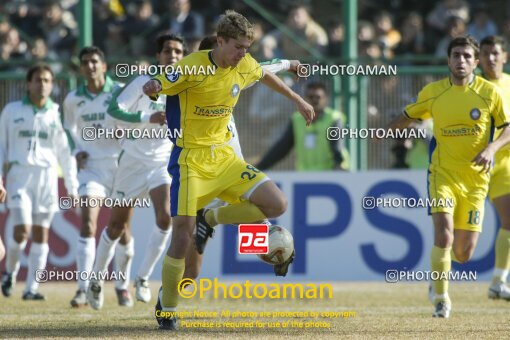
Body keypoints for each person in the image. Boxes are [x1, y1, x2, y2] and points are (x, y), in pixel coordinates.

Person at [142, 10, 314, 330]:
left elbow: (265, 70)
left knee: (275, 205)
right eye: (238, 48)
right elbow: (164, 80)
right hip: (191, 163)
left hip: (227, 160)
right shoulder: (192, 67)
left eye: (246, 49)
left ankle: (239, 233)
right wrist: (153, 85)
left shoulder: (244, 64)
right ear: (219, 43)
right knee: (187, 258)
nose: (242, 55)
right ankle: (167, 306)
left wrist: (296, 96)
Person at [389, 36, 510, 318]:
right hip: (442, 174)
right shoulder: (433, 92)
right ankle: (441, 299)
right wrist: (388, 130)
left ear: (475, 62)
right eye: (456, 55)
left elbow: (507, 128)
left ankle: (438, 275)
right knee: (443, 234)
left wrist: (492, 148)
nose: (461, 61)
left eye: (468, 57)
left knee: (463, 253)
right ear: (448, 60)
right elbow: (407, 115)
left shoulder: (489, 93)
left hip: (476, 180)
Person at [181, 34, 302, 281]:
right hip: (201, 181)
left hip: (231, 175)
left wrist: (289, 64)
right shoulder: (188, 86)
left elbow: (263, 69)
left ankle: (276, 254)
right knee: (191, 272)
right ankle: (168, 301)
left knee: (264, 230)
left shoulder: (231, 78)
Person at [85, 34, 185, 309]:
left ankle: (142, 278)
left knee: (166, 217)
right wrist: (145, 118)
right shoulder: (141, 82)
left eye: (178, 51)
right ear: (158, 56)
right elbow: (112, 112)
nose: (173, 55)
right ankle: (95, 279)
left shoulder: (186, 86)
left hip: (162, 162)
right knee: (116, 226)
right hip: (131, 162)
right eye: (167, 50)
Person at [0, 64, 78, 300]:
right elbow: (1, 146)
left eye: (47, 80)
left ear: (52, 85)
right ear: (28, 83)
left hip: (46, 177)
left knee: (42, 233)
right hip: (19, 176)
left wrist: (73, 188)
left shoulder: (55, 113)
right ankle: (10, 272)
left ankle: (32, 288)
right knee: (22, 229)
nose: (42, 84)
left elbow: (65, 153)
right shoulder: (11, 111)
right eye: (38, 80)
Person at [62, 46, 133, 307]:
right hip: (91, 169)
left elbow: (133, 120)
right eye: (85, 62)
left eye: (94, 61)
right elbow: (67, 128)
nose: (90, 66)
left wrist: (125, 136)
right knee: (88, 224)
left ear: (104, 66)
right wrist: (76, 150)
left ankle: (122, 286)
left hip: (121, 167)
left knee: (122, 229)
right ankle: (83, 289)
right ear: (81, 69)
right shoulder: (72, 99)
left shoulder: (120, 91)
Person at [478, 35, 510, 300]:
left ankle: (498, 281)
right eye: (485, 53)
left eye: (495, 53)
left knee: (509, 219)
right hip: (475, 163)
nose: (490, 58)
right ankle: (438, 278)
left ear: (504, 56)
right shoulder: (472, 87)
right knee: (458, 234)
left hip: (504, 163)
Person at [257, 81, 348, 171]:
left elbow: (337, 148)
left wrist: (338, 167)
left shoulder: (334, 119)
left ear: (326, 99)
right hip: (305, 176)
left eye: (318, 97)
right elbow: (282, 148)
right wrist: (259, 168)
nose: (314, 100)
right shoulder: (296, 120)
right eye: (311, 97)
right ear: (304, 99)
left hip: (330, 174)